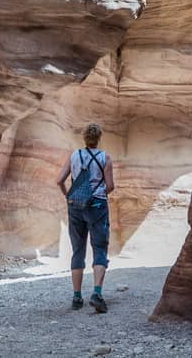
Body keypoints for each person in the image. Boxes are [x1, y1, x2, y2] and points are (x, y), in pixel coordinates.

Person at [57, 121, 116, 312]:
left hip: (75, 205)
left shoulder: (74, 155)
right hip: (97, 205)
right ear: (98, 138)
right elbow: (110, 186)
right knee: (99, 247)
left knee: (78, 249)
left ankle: (76, 297)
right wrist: (98, 194)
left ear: (84, 137)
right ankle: (96, 293)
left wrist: (69, 196)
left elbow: (59, 180)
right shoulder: (105, 157)